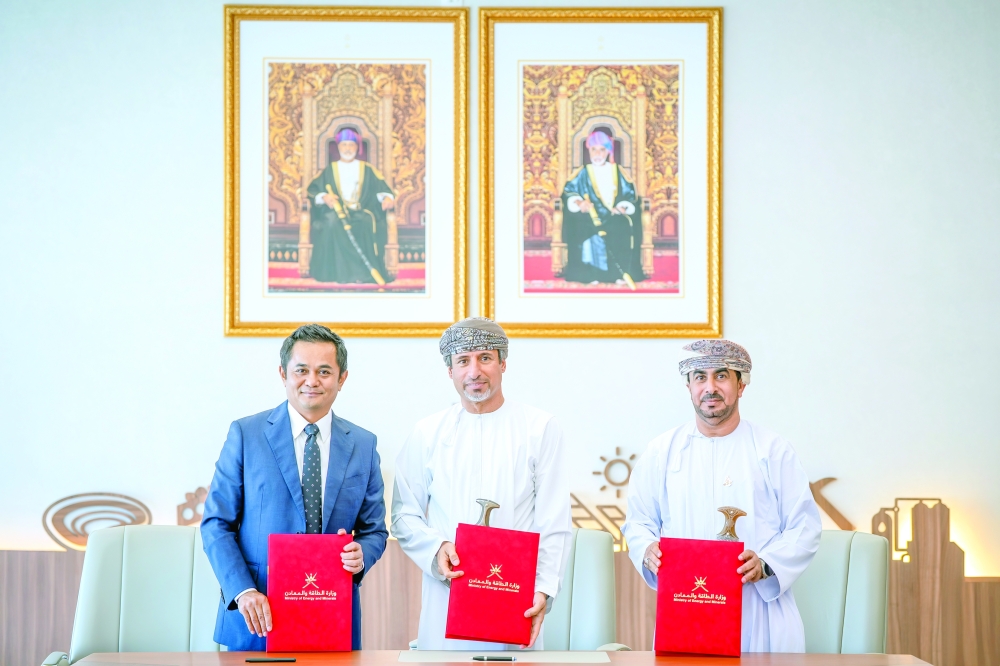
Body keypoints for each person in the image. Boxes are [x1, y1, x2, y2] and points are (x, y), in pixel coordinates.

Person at [621, 340, 821, 652]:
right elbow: (638, 522)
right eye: (700, 377)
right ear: (688, 386)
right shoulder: (662, 452)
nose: (710, 387)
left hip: (759, 612)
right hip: (687, 607)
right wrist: (646, 548)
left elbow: (804, 526)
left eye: (722, 376)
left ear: (741, 385)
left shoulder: (772, 450)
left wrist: (767, 565)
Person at [201, 324, 388, 650]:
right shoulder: (246, 434)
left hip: (333, 615)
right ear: (283, 374)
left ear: (342, 378)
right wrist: (243, 591)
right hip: (258, 616)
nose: (312, 381)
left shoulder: (364, 444)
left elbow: (374, 531)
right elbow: (216, 524)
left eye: (324, 371)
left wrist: (363, 556)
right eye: (301, 370)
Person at [391, 317, 572, 650]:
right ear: (450, 371)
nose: (474, 371)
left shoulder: (540, 428)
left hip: (516, 597)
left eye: (485, 358)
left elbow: (554, 521)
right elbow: (403, 516)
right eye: (463, 361)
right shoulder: (427, 433)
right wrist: (436, 550)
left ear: (503, 363)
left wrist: (543, 589)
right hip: (448, 594)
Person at [306, 128, 395, 284]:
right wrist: (324, 197)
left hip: (361, 211)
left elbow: (383, 189)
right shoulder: (330, 170)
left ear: (357, 148)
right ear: (338, 147)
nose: (347, 149)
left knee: (367, 222)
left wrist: (387, 198)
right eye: (344, 145)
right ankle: (339, 273)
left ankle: (364, 273)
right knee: (332, 223)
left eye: (351, 145)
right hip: (336, 213)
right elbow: (312, 191)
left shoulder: (367, 169)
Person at [560, 130, 644, 286]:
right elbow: (569, 192)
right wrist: (579, 203)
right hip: (590, 218)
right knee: (585, 231)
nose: (597, 154)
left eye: (602, 149)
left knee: (622, 226)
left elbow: (629, 195)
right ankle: (590, 274)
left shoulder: (618, 171)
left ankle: (619, 273)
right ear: (589, 150)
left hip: (614, 217)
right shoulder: (583, 172)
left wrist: (622, 207)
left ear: (608, 151)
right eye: (594, 149)